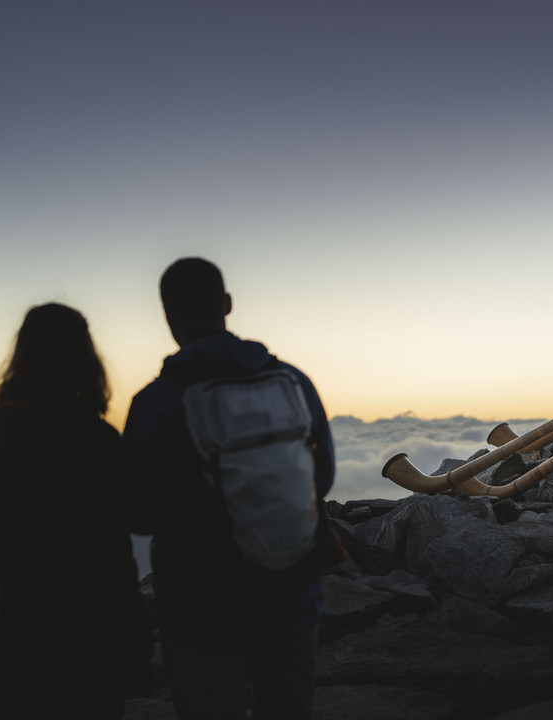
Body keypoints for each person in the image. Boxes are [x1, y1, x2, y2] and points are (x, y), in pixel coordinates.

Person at [123, 258, 336, 720]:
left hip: (198, 606)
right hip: (291, 591)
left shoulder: (155, 403)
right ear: (227, 304)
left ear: (167, 313)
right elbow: (322, 479)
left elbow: (138, 514)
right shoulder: (293, 383)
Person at [0, 303, 150, 719]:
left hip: (18, 639)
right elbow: (113, 555)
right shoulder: (96, 440)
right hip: (91, 637)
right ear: (86, 362)